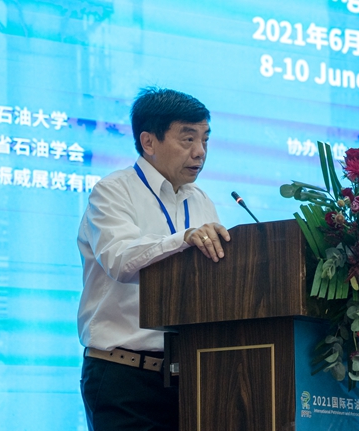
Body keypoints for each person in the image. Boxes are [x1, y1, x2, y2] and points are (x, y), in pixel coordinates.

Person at [77, 87, 230, 431]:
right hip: (124, 377)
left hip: (191, 377)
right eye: (188, 139)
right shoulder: (112, 191)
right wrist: (183, 239)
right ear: (148, 142)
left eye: (205, 139)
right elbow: (119, 259)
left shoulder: (201, 201)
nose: (200, 151)